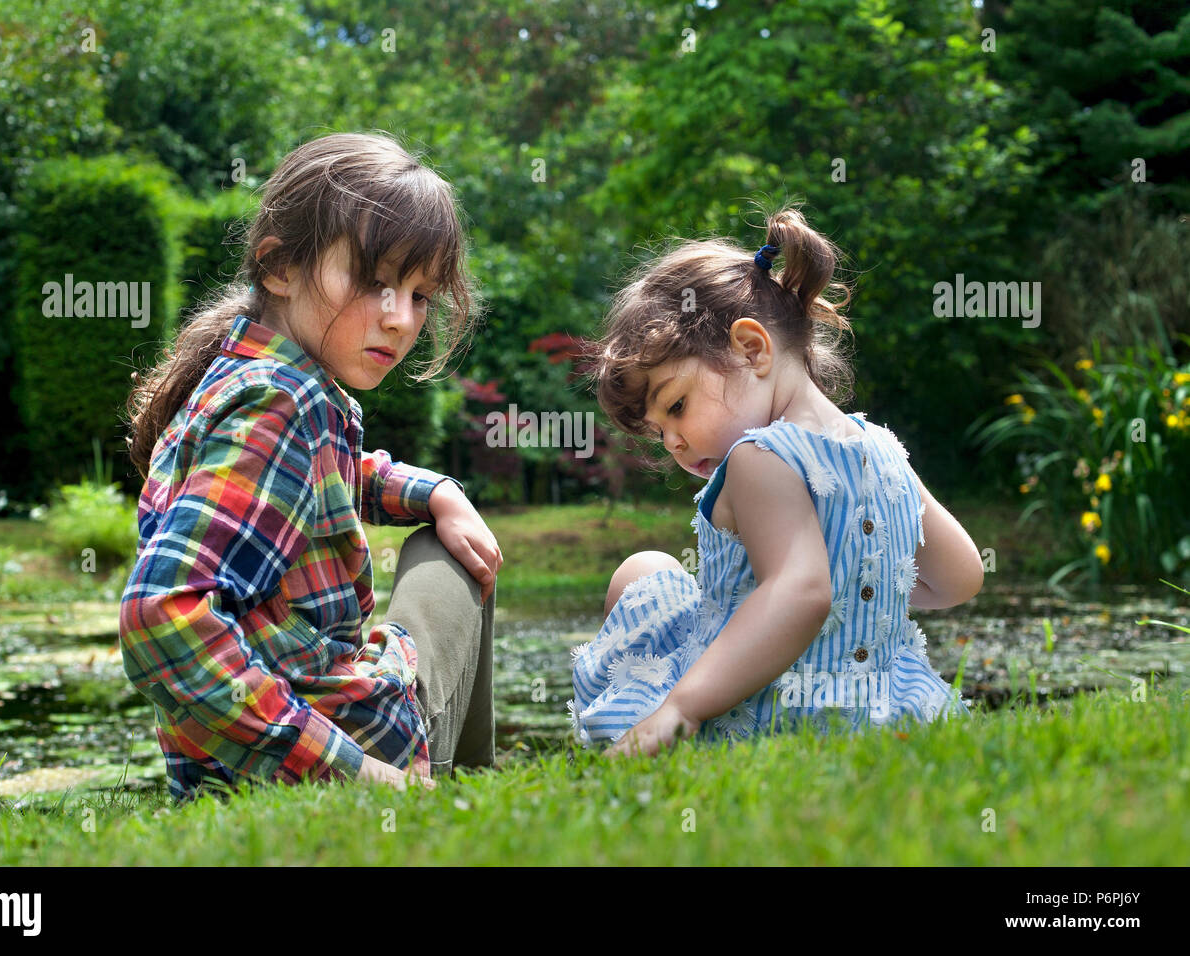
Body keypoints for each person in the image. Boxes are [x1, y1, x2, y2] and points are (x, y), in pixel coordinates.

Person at [119, 132, 502, 803]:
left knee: (445, 523)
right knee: (448, 558)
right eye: (374, 282)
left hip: (222, 773)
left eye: (419, 294)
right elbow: (162, 614)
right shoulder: (284, 404)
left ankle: (459, 795)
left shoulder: (240, 377)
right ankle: (458, 791)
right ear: (279, 268)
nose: (400, 319)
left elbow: (329, 475)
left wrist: (437, 491)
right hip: (346, 751)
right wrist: (351, 770)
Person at [569, 205, 983, 757]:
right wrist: (859, 604)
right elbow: (961, 577)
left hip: (775, 711)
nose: (672, 441)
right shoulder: (880, 446)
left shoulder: (758, 456)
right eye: (658, 430)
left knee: (643, 572)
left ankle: (667, 715)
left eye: (676, 405)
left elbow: (801, 590)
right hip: (886, 707)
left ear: (751, 348)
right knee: (649, 571)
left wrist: (682, 707)